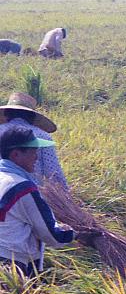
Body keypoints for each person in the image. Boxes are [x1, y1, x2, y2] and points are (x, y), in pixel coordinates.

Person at [0, 125, 80, 276]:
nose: (36, 158)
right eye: (32, 152)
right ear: (16, 154)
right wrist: (76, 234)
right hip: (13, 266)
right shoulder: (23, 188)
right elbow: (51, 236)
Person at [0, 92, 68, 190]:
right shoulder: (42, 136)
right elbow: (53, 174)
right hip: (29, 193)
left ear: (6, 114)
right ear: (32, 117)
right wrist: (65, 200)